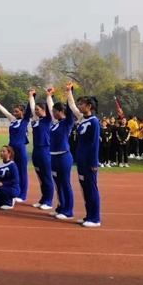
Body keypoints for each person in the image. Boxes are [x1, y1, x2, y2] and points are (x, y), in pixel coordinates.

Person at [67, 82, 101, 228]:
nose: (79, 106)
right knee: (84, 188)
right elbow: (71, 106)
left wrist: (94, 163)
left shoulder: (94, 122)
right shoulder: (82, 119)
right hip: (80, 159)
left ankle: (95, 218)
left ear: (89, 106)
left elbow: (94, 144)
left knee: (91, 188)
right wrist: (69, 91)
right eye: (79, 104)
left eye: (82, 104)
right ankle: (88, 215)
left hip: (89, 161)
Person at [0, 96, 31, 202]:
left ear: (22, 112)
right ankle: (12, 191)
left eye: (17, 111)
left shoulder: (25, 120)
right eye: (14, 111)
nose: (15, 113)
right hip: (11, 149)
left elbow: (29, 109)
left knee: (22, 172)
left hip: (21, 149)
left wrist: (31, 97)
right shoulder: (13, 120)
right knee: (12, 171)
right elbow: (5, 112)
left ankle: (22, 195)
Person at [48, 86, 75, 220]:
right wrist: (49, 96)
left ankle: (68, 211)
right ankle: (60, 207)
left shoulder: (67, 122)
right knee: (58, 184)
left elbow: (70, 108)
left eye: (54, 111)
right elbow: (49, 106)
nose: (52, 113)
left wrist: (70, 92)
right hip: (53, 156)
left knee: (65, 183)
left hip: (64, 156)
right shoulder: (55, 123)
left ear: (61, 111)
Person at [28, 89, 54, 210]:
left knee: (47, 177)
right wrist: (31, 96)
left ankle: (49, 201)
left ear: (44, 110)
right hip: (36, 150)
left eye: (38, 109)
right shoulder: (36, 121)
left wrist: (49, 96)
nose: (35, 111)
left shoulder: (48, 120)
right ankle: (43, 198)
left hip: (45, 150)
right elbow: (32, 107)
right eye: (35, 109)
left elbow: (50, 108)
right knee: (41, 177)